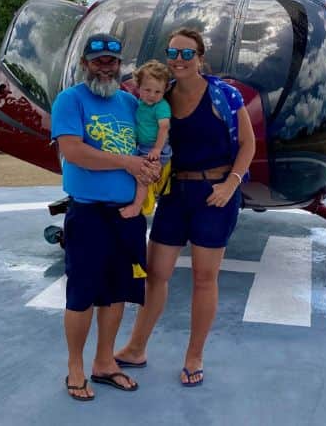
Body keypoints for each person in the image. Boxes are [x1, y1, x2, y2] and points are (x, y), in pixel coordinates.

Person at [115, 27, 255, 387]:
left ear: (201, 58)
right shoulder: (164, 97)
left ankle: (194, 355)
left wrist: (231, 184)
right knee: (156, 272)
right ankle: (136, 347)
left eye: (186, 53)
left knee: (204, 278)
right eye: (173, 53)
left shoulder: (224, 95)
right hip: (176, 193)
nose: (178, 59)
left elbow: (247, 146)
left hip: (215, 194)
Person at [50, 32, 159, 401]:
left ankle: (104, 363)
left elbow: (149, 146)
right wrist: (127, 163)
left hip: (127, 216)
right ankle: (75, 367)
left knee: (117, 292)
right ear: (85, 64)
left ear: (119, 65)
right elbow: (73, 151)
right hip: (89, 213)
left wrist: (150, 168)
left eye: (111, 61)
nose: (105, 67)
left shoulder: (131, 104)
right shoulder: (70, 100)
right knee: (81, 293)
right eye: (97, 61)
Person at [127, 59, 172, 219]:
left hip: (156, 149)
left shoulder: (161, 107)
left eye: (157, 92)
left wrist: (157, 149)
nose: (152, 95)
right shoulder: (140, 104)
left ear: (164, 90)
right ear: (138, 87)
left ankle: (139, 207)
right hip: (143, 147)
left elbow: (164, 128)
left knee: (142, 177)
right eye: (147, 90)